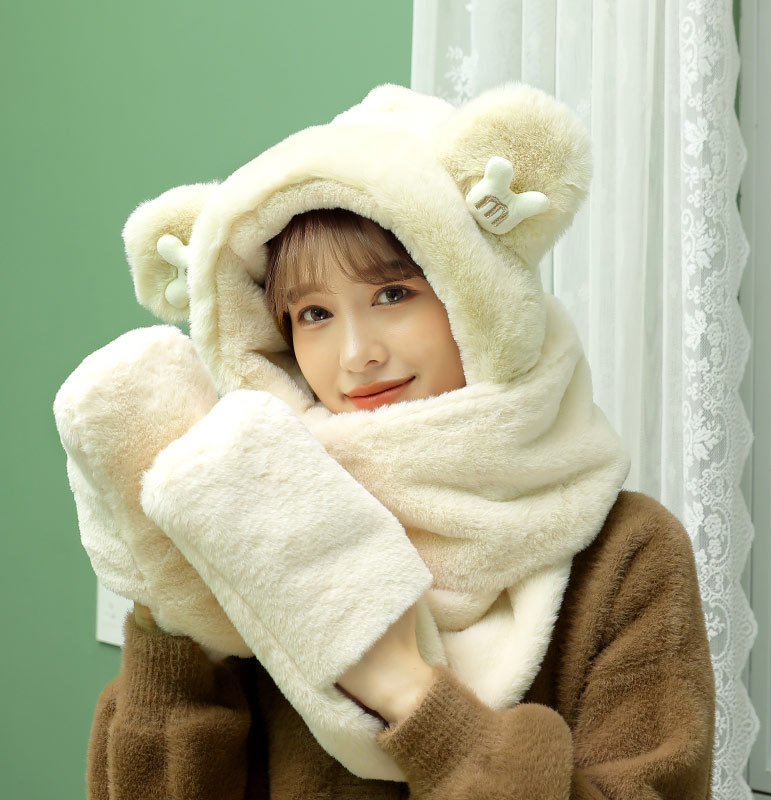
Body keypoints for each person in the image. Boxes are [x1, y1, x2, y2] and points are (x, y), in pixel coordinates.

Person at [56, 83, 715, 799]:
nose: (356, 354)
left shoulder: (628, 554)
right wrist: (177, 621)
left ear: (477, 296)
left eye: (393, 295)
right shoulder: (258, 518)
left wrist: (408, 691)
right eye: (313, 314)